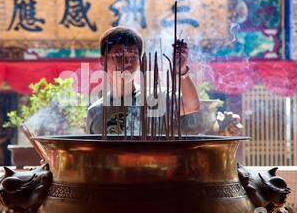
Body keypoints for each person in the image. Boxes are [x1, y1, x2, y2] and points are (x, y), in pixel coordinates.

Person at [86, 26, 242, 136]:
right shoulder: (95, 111)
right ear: (103, 60)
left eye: (132, 57)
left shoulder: (156, 98)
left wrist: (181, 70)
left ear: (140, 61)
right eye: (119, 56)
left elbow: (191, 105)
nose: (126, 62)